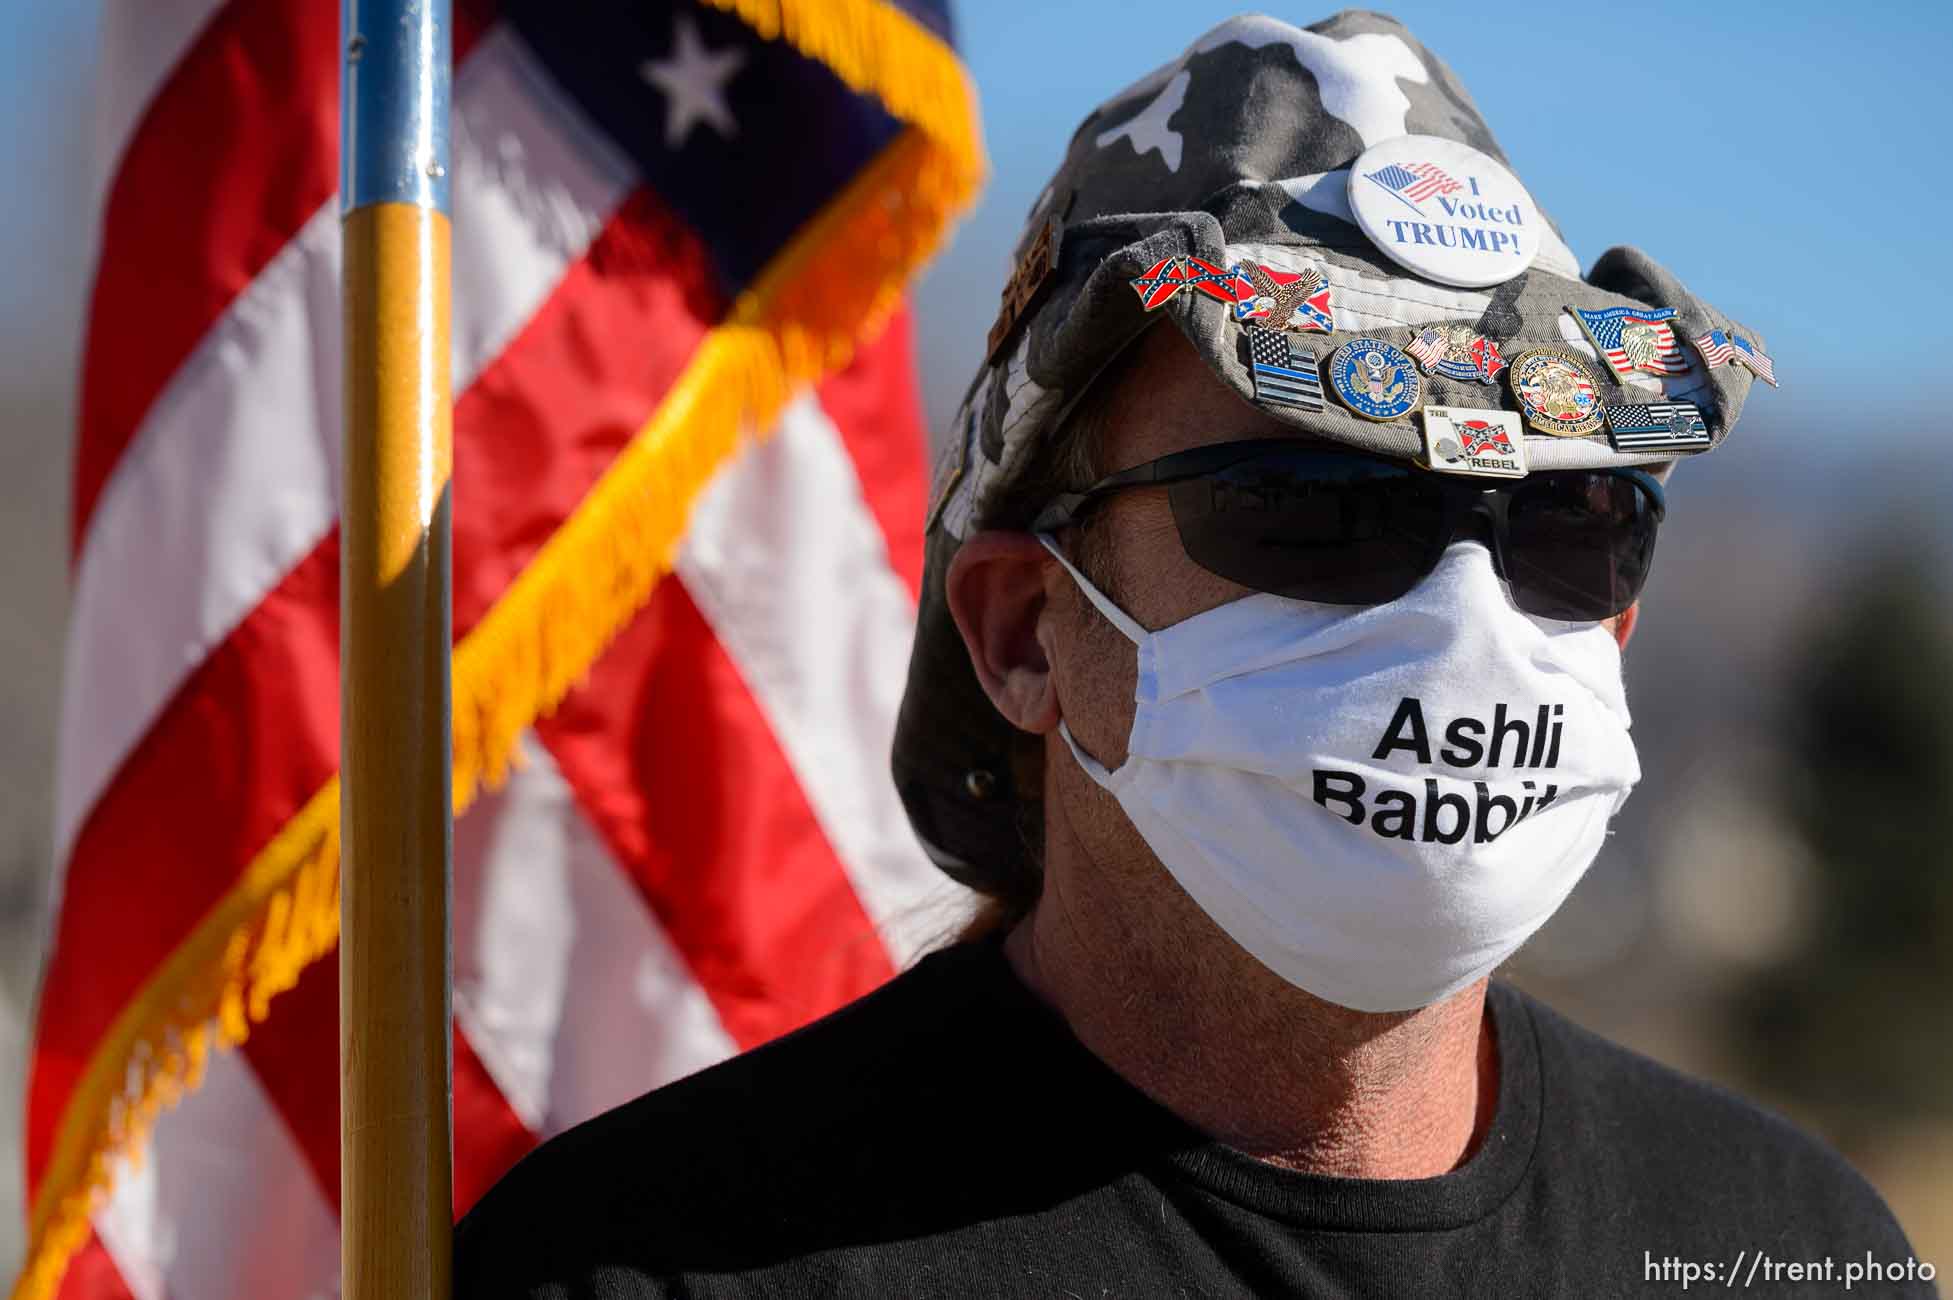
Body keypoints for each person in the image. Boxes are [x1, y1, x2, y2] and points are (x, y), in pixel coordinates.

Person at [455, 12, 1932, 1296]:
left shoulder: (1790, 1244)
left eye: (1569, 518)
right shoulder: (646, 1263)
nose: (1467, 617)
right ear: (1024, 635)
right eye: (1313, 511)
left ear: (1621, 610)